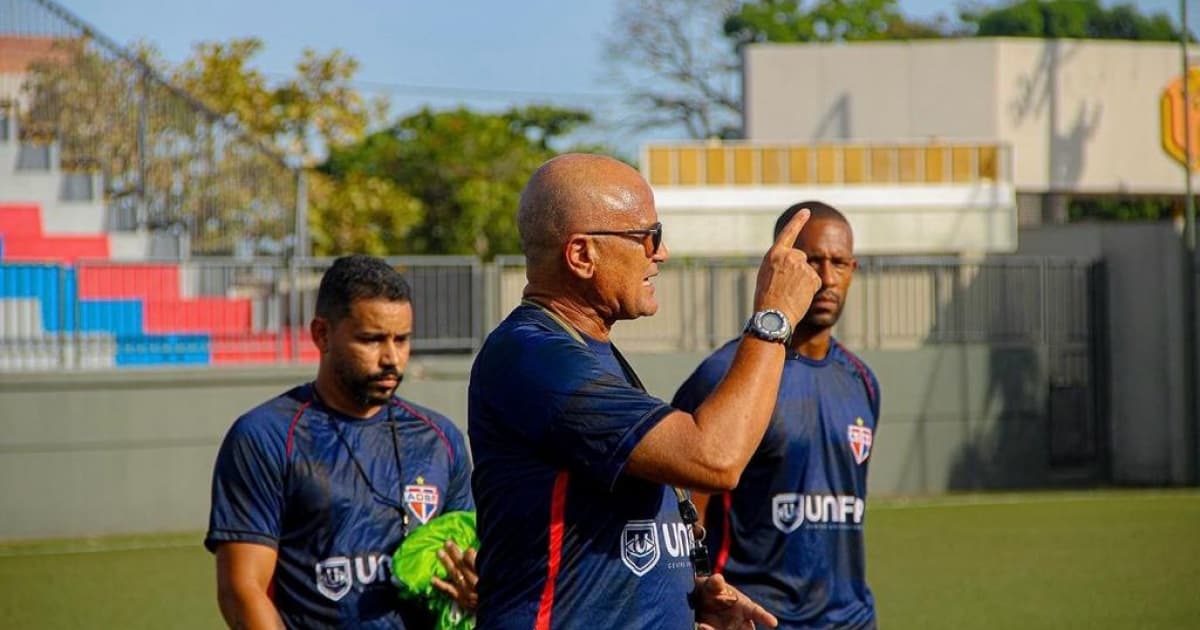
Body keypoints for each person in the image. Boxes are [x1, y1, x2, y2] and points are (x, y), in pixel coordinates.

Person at [467, 153, 822, 629]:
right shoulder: (532, 356)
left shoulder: (589, 351)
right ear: (581, 255)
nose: (661, 252)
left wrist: (683, 598)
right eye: (647, 236)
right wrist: (774, 316)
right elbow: (715, 457)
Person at [205, 254, 478, 629]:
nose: (391, 358)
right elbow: (242, 589)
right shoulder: (265, 436)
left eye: (402, 340)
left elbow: (464, 559)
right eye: (371, 339)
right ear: (321, 334)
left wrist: (475, 588)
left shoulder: (440, 440)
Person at [672, 201, 881, 630]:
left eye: (839, 263)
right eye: (811, 262)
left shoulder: (862, 380)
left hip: (853, 620)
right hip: (761, 619)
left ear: (853, 269)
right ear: (781, 265)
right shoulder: (724, 375)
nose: (826, 278)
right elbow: (681, 516)